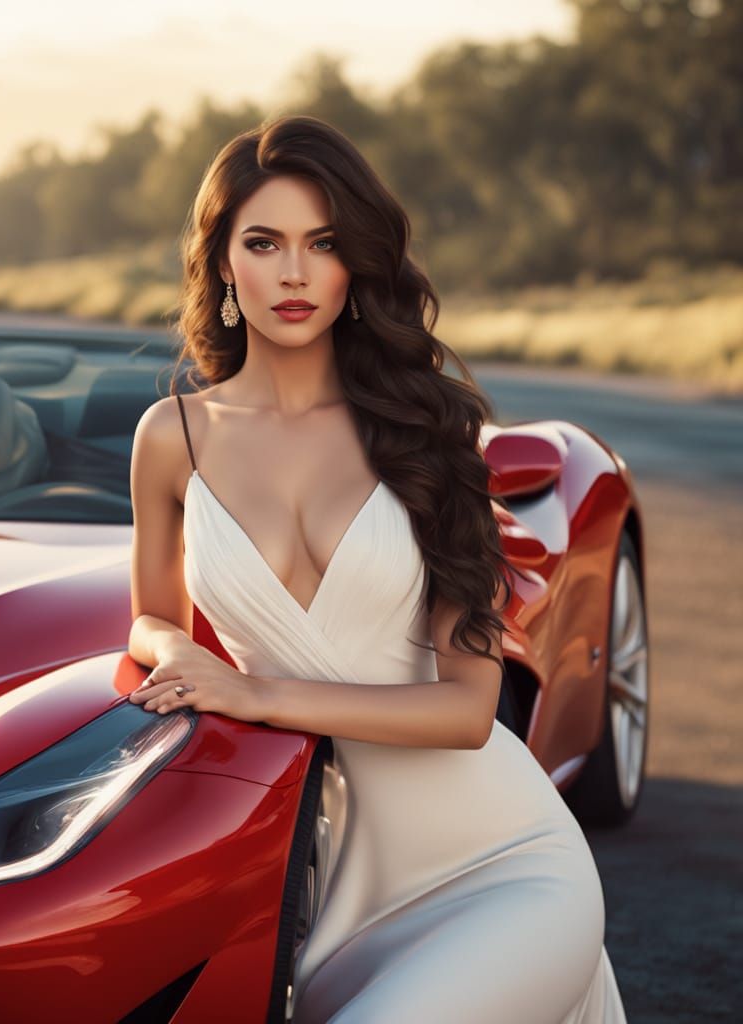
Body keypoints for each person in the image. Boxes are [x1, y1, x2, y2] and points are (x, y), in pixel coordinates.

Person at [127, 114, 628, 1023]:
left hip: (504, 867)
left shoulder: (428, 434)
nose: (293, 272)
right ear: (222, 264)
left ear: (356, 264)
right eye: (264, 242)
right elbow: (149, 618)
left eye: (322, 243)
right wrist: (173, 651)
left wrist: (253, 693)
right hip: (336, 900)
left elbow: (468, 709)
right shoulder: (173, 437)